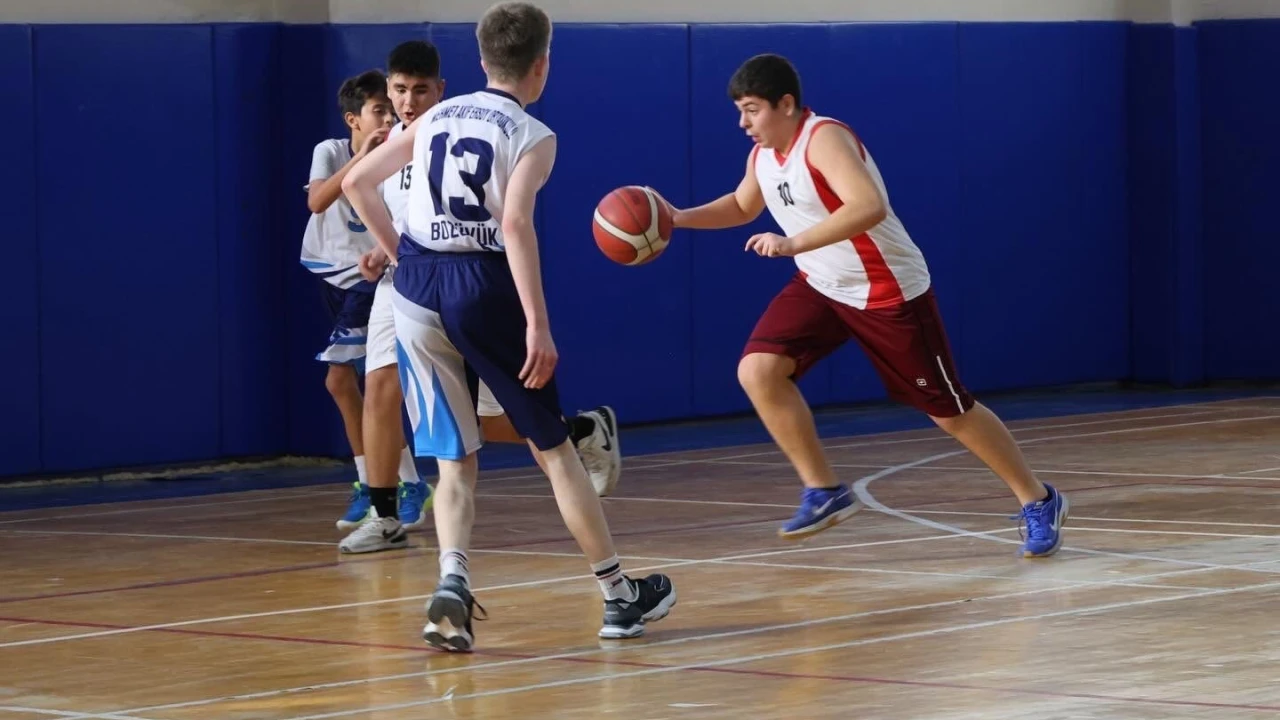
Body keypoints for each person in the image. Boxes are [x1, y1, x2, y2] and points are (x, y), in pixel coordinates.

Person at [341, 1, 677, 650]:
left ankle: (452, 584)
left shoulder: (438, 113)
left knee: (453, 460)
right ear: (541, 66)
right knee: (553, 451)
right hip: (482, 282)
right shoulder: (533, 134)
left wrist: (401, 250)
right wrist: (538, 324)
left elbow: (358, 182)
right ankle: (617, 597)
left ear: (481, 60)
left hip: (416, 287)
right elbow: (516, 224)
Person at [649, 53, 1070, 557]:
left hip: (886, 288)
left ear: (786, 104)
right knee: (757, 371)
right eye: (740, 111)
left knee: (948, 410)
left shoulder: (823, 139)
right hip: (823, 284)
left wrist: (792, 243)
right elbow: (742, 205)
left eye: (752, 109)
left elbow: (868, 206)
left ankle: (1038, 498)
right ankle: (824, 490)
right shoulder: (762, 155)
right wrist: (676, 217)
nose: (743, 123)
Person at [336, 42, 444, 553]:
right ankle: (384, 516)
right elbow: (398, 216)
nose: (408, 101)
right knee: (379, 384)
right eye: (400, 90)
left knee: (489, 408)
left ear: (439, 90)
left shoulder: (447, 136)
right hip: (398, 280)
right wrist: (384, 250)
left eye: (420, 90)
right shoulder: (392, 142)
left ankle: (577, 431)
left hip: (448, 277)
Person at [300, 70, 395, 523]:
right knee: (367, 385)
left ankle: (390, 485)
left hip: (372, 277)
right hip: (331, 274)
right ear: (353, 119)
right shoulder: (331, 151)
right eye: (379, 111)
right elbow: (317, 201)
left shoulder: (398, 156)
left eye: (391, 111)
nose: (388, 119)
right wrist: (361, 160)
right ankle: (377, 482)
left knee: (342, 381)